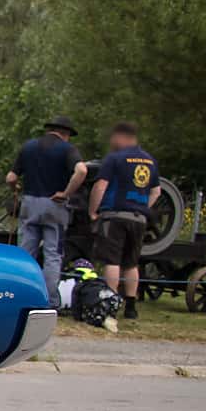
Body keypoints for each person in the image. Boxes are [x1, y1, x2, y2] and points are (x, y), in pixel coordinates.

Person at [4, 114, 85, 301]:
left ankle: (19, 295)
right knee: (53, 256)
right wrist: (66, 193)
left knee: (25, 253)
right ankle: (49, 300)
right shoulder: (67, 149)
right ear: (66, 134)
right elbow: (81, 170)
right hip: (54, 205)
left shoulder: (29, 147)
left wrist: (14, 188)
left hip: (29, 203)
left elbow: (11, 177)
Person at [86, 122, 159, 321]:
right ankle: (131, 307)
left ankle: (111, 303)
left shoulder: (115, 158)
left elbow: (100, 186)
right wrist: (143, 207)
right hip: (139, 218)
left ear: (121, 137)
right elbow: (156, 191)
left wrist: (93, 211)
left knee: (113, 260)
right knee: (131, 263)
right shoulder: (150, 161)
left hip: (115, 215)